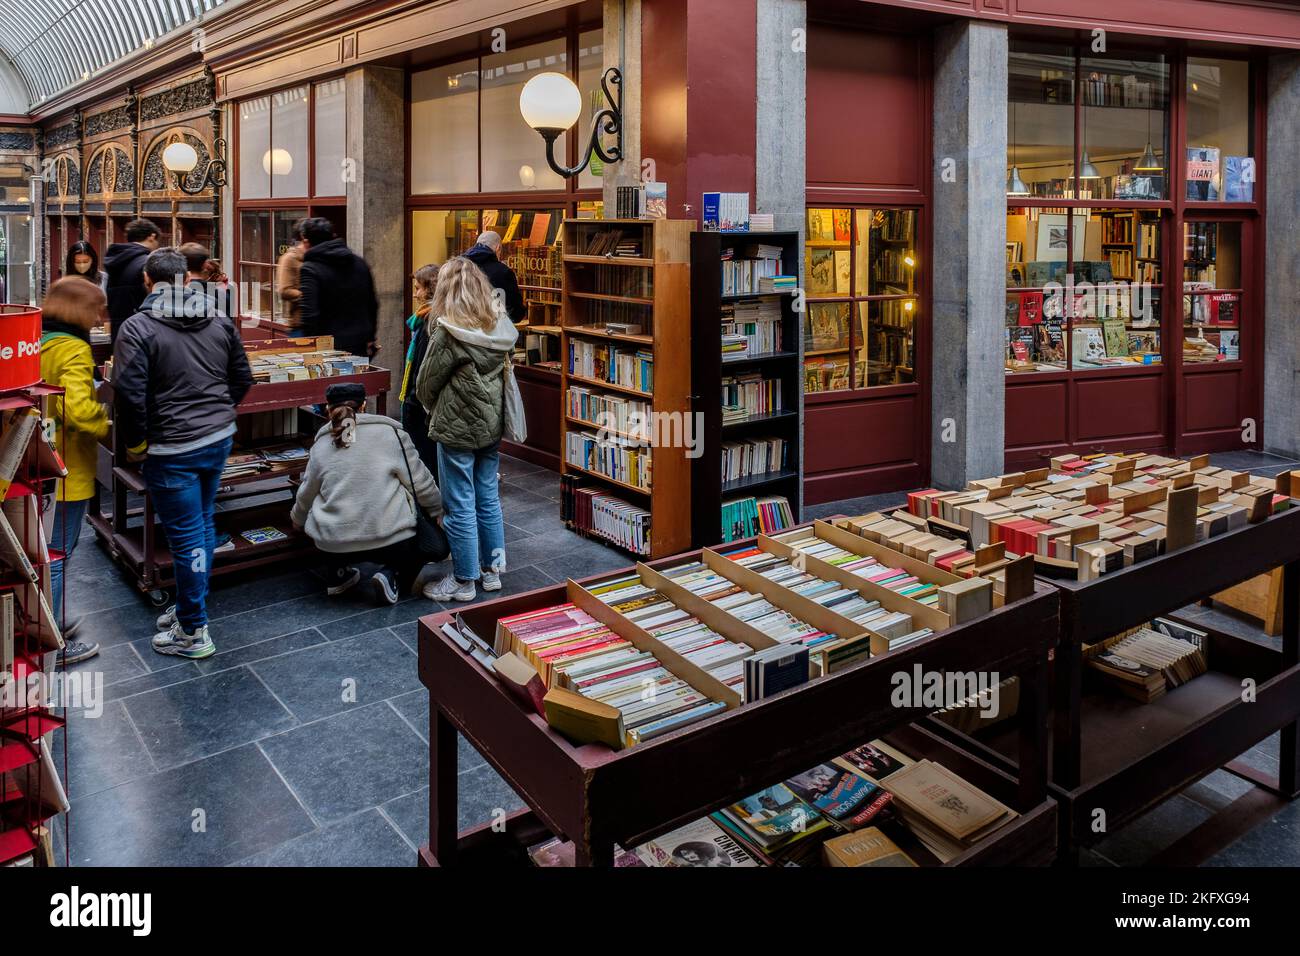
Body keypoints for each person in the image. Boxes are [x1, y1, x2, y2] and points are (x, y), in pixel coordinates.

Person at [113, 247, 253, 659]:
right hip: (218, 438)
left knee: (188, 533)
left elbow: (128, 395)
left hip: (172, 446)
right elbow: (242, 378)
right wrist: (218, 412)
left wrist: (138, 444)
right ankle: (191, 608)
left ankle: (194, 630)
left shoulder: (138, 327)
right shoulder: (218, 318)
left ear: (146, 281)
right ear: (187, 279)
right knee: (202, 525)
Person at [415, 256, 516, 602]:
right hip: (491, 424)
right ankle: (493, 572)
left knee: (459, 502)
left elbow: (425, 384)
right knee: (488, 497)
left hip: (457, 426)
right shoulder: (499, 325)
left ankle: (463, 579)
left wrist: (433, 407)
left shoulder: (448, 331)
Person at [290, 382, 446, 604]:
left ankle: (338, 574)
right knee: (436, 545)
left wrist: (298, 519)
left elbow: (306, 492)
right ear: (364, 405)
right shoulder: (391, 434)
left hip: (334, 541)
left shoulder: (320, 445)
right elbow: (420, 482)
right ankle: (392, 575)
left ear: (328, 408)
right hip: (389, 537)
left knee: (326, 510)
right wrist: (436, 509)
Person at [39, 277, 111, 665]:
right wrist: (106, 423)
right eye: (96, 308)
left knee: (46, 547)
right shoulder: (73, 349)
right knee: (59, 551)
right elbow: (77, 410)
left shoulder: (40, 339)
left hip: (37, 459)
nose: (101, 317)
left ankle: (50, 621)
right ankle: (53, 641)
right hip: (66, 465)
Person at [298, 217, 378, 357]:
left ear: (306, 242)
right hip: (359, 343)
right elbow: (372, 304)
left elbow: (309, 315)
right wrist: (370, 337)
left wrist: (310, 348)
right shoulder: (359, 262)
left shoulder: (310, 269)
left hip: (327, 347)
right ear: (333, 236)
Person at [400, 263, 440, 479]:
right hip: (420, 403)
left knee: (422, 462)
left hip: (420, 406)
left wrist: (412, 399)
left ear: (430, 289)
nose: (415, 294)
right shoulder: (424, 320)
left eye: (418, 288)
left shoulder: (427, 323)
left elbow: (424, 367)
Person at [103, 218, 161, 344]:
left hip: (119, 329)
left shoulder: (118, 260)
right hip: (142, 332)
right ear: (152, 236)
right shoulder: (147, 263)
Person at [463, 230, 525, 322]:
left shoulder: (460, 267)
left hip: (463, 328)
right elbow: (515, 312)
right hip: (492, 329)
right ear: (498, 248)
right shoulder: (503, 272)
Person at [276, 223, 305, 329]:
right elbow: (284, 290)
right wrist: (309, 295)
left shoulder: (315, 256)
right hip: (299, 324)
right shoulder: (289, 258)